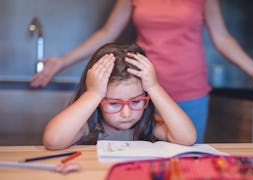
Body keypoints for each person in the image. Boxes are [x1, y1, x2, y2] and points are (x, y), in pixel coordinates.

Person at [32, 0, 253, 143]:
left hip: (189, 89)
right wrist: (63, 61)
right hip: (135, 86)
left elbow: (222, 38)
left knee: (182, 158)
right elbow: (107, 32)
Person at [42, 43, 196, 150]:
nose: (126, 114)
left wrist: (154, 87)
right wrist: (93, 93)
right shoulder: (87, 126)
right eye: (114, 104)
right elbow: (53, 141)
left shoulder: (149, 123)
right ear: (98, 102)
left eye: (136, 101)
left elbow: (187, 138)